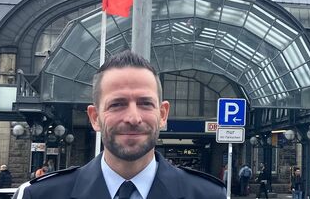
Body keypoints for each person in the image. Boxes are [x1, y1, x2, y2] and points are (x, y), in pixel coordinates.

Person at [19, 51, 226, 199]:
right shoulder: (41, 195)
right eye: (117, 104)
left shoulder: (208, 195)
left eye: (145, 103)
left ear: (163, 114)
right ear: (94, 117)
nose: (133, 118)